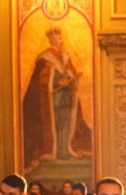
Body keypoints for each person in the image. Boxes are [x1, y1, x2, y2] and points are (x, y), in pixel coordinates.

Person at [21, 27, 92, 169]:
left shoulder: (66, 56)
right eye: (58, 38)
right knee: (57, 122)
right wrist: (57, 83)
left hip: (66, 96)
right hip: (52, 99)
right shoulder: (44, 58)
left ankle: (64, 149)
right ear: (51, 40)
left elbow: (71, 71)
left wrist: (71, 78)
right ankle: (53, 150)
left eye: (61, 37)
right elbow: (40, 80)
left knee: (66, 122)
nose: (60, 40)